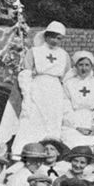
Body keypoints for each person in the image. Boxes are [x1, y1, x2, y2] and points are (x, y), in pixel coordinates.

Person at [9, 21, 71, 159]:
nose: (55, 41)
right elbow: (26, 74)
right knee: (33, 121)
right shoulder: (35, 52)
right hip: (38, 89)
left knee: (52, 122)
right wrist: (27, 96)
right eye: (52, 37)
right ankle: (24, 153)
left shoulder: (64, 55)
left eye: (59, 38)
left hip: (55, 92)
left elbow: (66, 77)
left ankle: (50, 155)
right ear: (46, 36)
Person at [61, 50, 94, 148]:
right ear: (76, 66)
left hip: (92, 122)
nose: (84, 68)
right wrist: (77, 126)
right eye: (81, 65)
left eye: (87, 65)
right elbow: (65, 107)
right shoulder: (69, 84)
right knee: (72, 140)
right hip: (72, 122)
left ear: (91, 66)